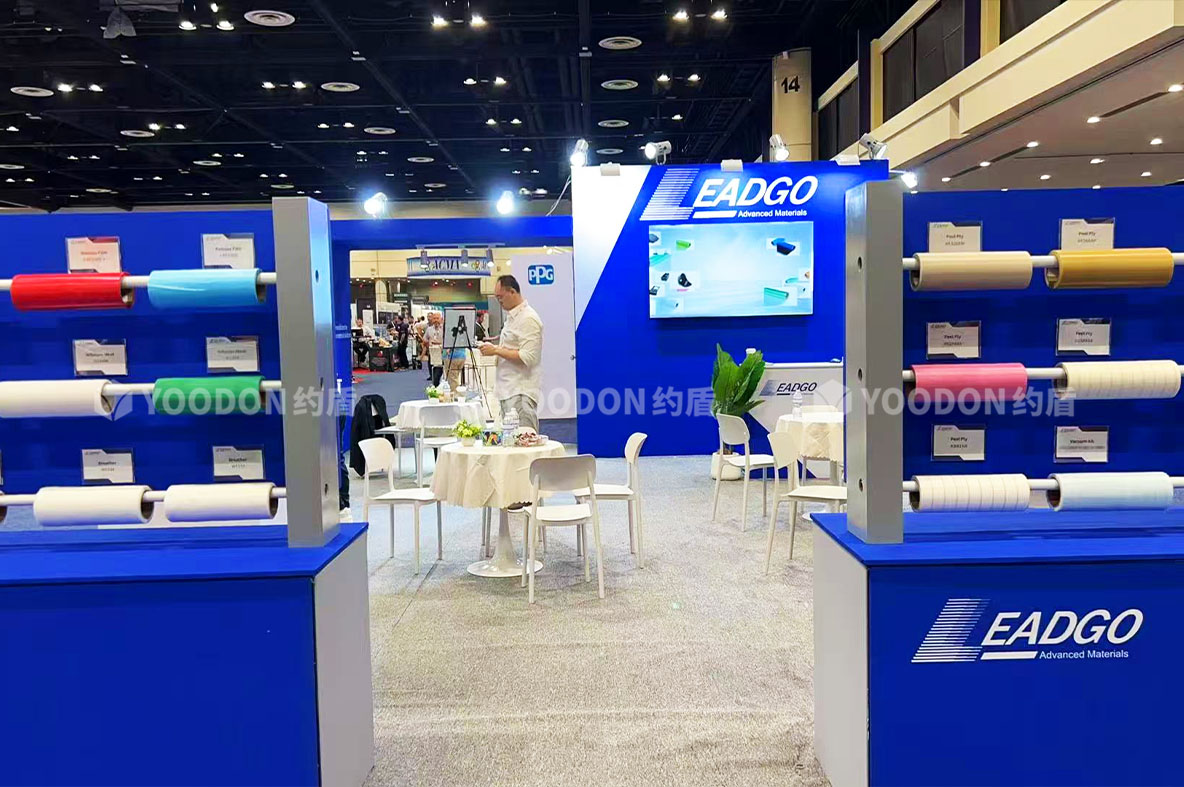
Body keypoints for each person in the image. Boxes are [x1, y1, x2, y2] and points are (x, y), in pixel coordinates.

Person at [479, 275, 543, 431]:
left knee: (525, 439)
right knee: (511, 440)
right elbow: (510, 347)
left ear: (512, 292)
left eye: (500, 297)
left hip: (520, 392)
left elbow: (528, 357)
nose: (498, 301)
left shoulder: (528, 319)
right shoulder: (513, 318)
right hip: (508, 390)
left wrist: (496, 350)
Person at [424, 312, 444, 386]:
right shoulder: (429, 329)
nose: (436, 320)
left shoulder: (444, 329)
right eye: (434, 318)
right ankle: (435, 386)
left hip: (442, 354)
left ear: (441, 319)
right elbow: (425, 340)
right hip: (432, 354)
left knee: (438, 373)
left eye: (437, 318)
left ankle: (437, 385)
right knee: (433, 373)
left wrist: (439, 343)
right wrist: (428, 344)